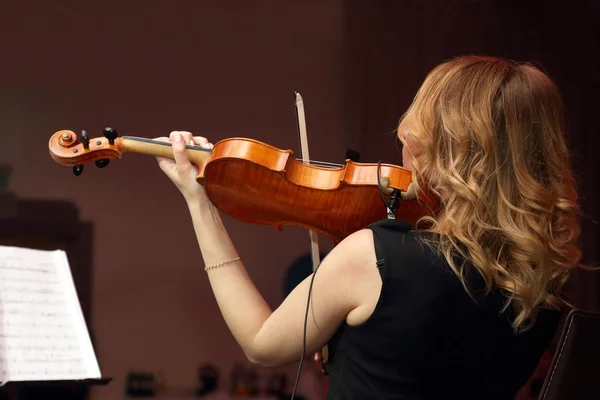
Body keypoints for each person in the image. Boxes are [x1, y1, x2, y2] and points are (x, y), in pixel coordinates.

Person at [154, 55, 582, 399]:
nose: (403, 146)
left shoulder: (375, 257)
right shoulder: (543, 287)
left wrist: (200, 203)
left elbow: (262, 343)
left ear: (445, 150)